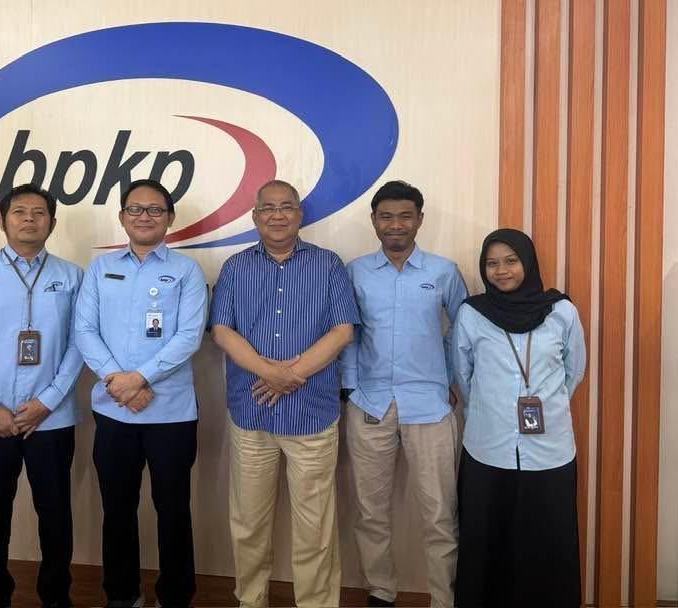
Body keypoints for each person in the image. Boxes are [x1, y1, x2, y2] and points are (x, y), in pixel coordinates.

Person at [209, 179, 359, 608]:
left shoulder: (329, 265)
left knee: (315, 527)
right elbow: (221, 331)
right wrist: (270, 373)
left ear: (299, 214)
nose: (278, 215)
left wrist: (289, 374)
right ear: (255, 216)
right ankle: (250, 600)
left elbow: (342, 331)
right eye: (269, 208)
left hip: (311, 414)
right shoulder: (235, 267)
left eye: (287, 206)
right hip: (251, 413)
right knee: (249, 523)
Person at [0, 183, 84, 608]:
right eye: (19, 211)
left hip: (51, 418)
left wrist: (48, 402)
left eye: (39, 212)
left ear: (52, 223)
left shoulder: (72, 276)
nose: (29, 219)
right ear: (2, 220)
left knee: (55, 513)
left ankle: (55, 596)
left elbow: (80, 343)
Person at [76, 179, 208, 608]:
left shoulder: (187, 271)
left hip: (171, 414)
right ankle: (122, 595)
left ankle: (176, 597)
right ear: (122, 217)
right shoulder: (100, 268)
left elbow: (189, 336)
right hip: (114, 410)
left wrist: (140, 379)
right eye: (135, 209)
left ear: (170, 218)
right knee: (117, 509)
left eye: (154, 210)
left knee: (173, 510)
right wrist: (119, 380)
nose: (144, 217)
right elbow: (85, 330)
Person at [339, 180, 467, 607]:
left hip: (430, 406)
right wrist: (351, 385)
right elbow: (348, 332)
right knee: (370, 511)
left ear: (420, 220)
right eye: (387, 216)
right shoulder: (355, 271)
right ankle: (380, 592)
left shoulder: (443, 271)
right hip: (369, 403)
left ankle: (444, 598)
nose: (395, 224)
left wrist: (450, 378)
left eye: (405, 216)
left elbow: (464, 330)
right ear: (374, 221)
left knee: (440, 512)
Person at [451, 228, 585, 607]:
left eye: (511, 261)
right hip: (487, 448)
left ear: (527, 262)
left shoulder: (561, 311)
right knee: (487, 543)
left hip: (550, 450)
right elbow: (463, 374)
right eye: (492, 263)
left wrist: (546, 404)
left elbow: (573, 371)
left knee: (548, 541)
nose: (501, 270)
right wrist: (492, 411)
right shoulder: (472, 313)